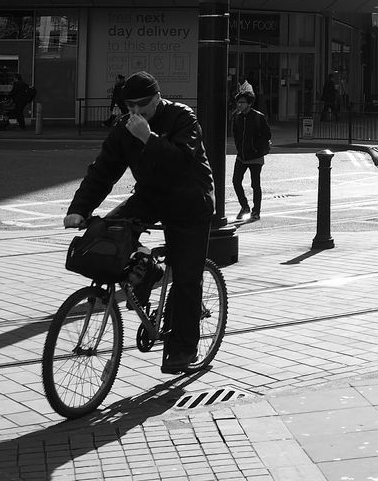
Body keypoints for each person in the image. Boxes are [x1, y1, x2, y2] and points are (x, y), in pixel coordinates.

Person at [62, 71, 214, 374]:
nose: (134, 113)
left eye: (141, 105)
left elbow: (182, 163)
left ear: (157, 98)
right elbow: (103, 170)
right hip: (151, 195)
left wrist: (147, 137)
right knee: (107, 232)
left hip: (190, 200)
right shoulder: (124, 128)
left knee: (186, 277)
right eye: (128, 106)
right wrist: (79, 209)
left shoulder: (182, 118)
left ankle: (182, 349)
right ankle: (149, 272)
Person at [230, 88, 271, 220]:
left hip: (255, 157)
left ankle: (256, 211)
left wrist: (256, 148)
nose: (239, 105)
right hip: (241, 156)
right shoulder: (237, 117)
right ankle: (244, 206)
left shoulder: (259, 117)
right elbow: (235, 134)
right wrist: (239, 148)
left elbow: (267, 135)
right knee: (236, 181)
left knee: (255, 184)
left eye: (242, 102)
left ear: (249, 103)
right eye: (238, 102)